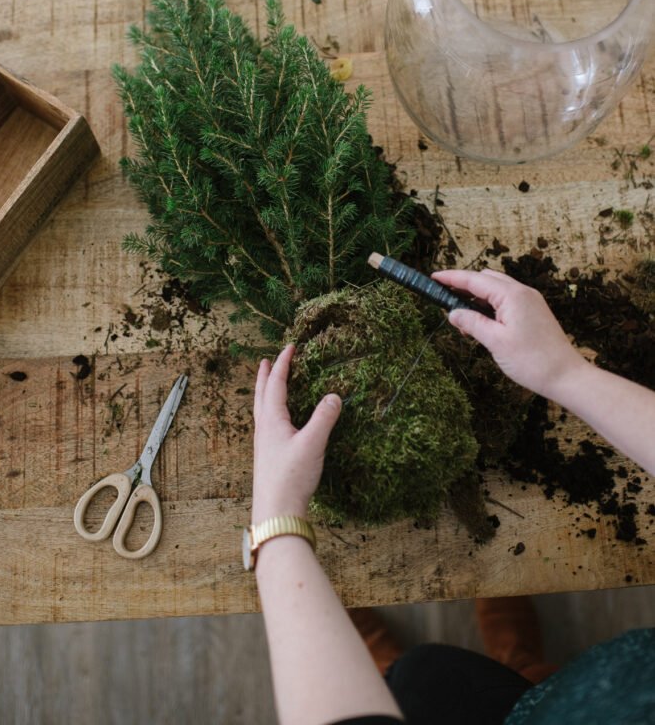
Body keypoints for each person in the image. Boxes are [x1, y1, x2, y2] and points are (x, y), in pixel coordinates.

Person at [249, 268, 655, 725]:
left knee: (417, 681)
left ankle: (375, 673)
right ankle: (519, 663)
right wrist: (563, 372)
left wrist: (275, 511)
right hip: (592, 696)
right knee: (475, 682)